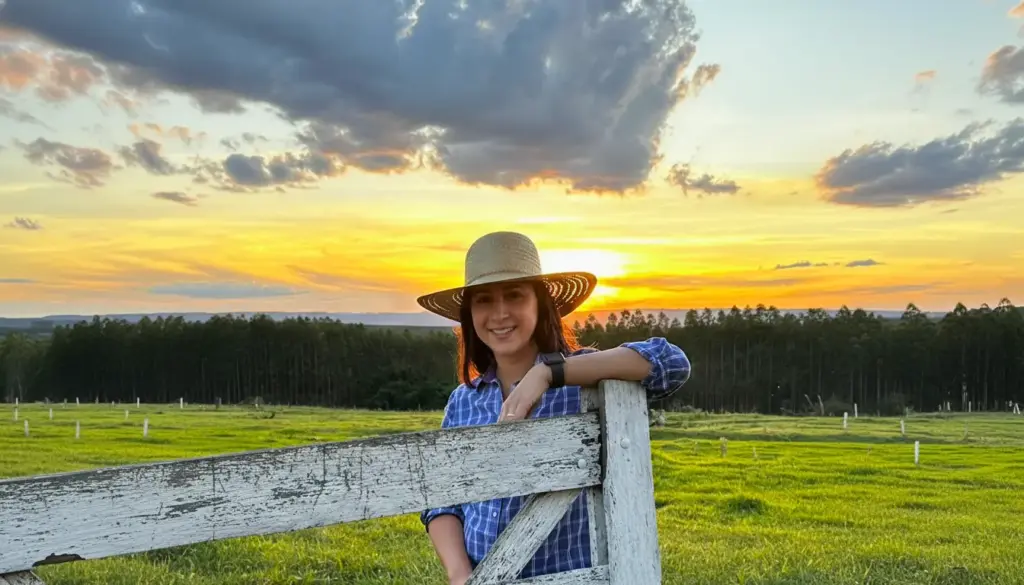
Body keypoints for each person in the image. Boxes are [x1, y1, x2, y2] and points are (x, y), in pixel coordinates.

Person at [416, 231, 692, 585]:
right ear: (470, 315)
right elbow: (442, 500)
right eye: (483, 300)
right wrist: (461, 575)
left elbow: (670, 363)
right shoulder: (463, 400)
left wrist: (549, 372)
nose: (499, 313)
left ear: (540, 304)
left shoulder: (584, 382)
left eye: (514, 295)